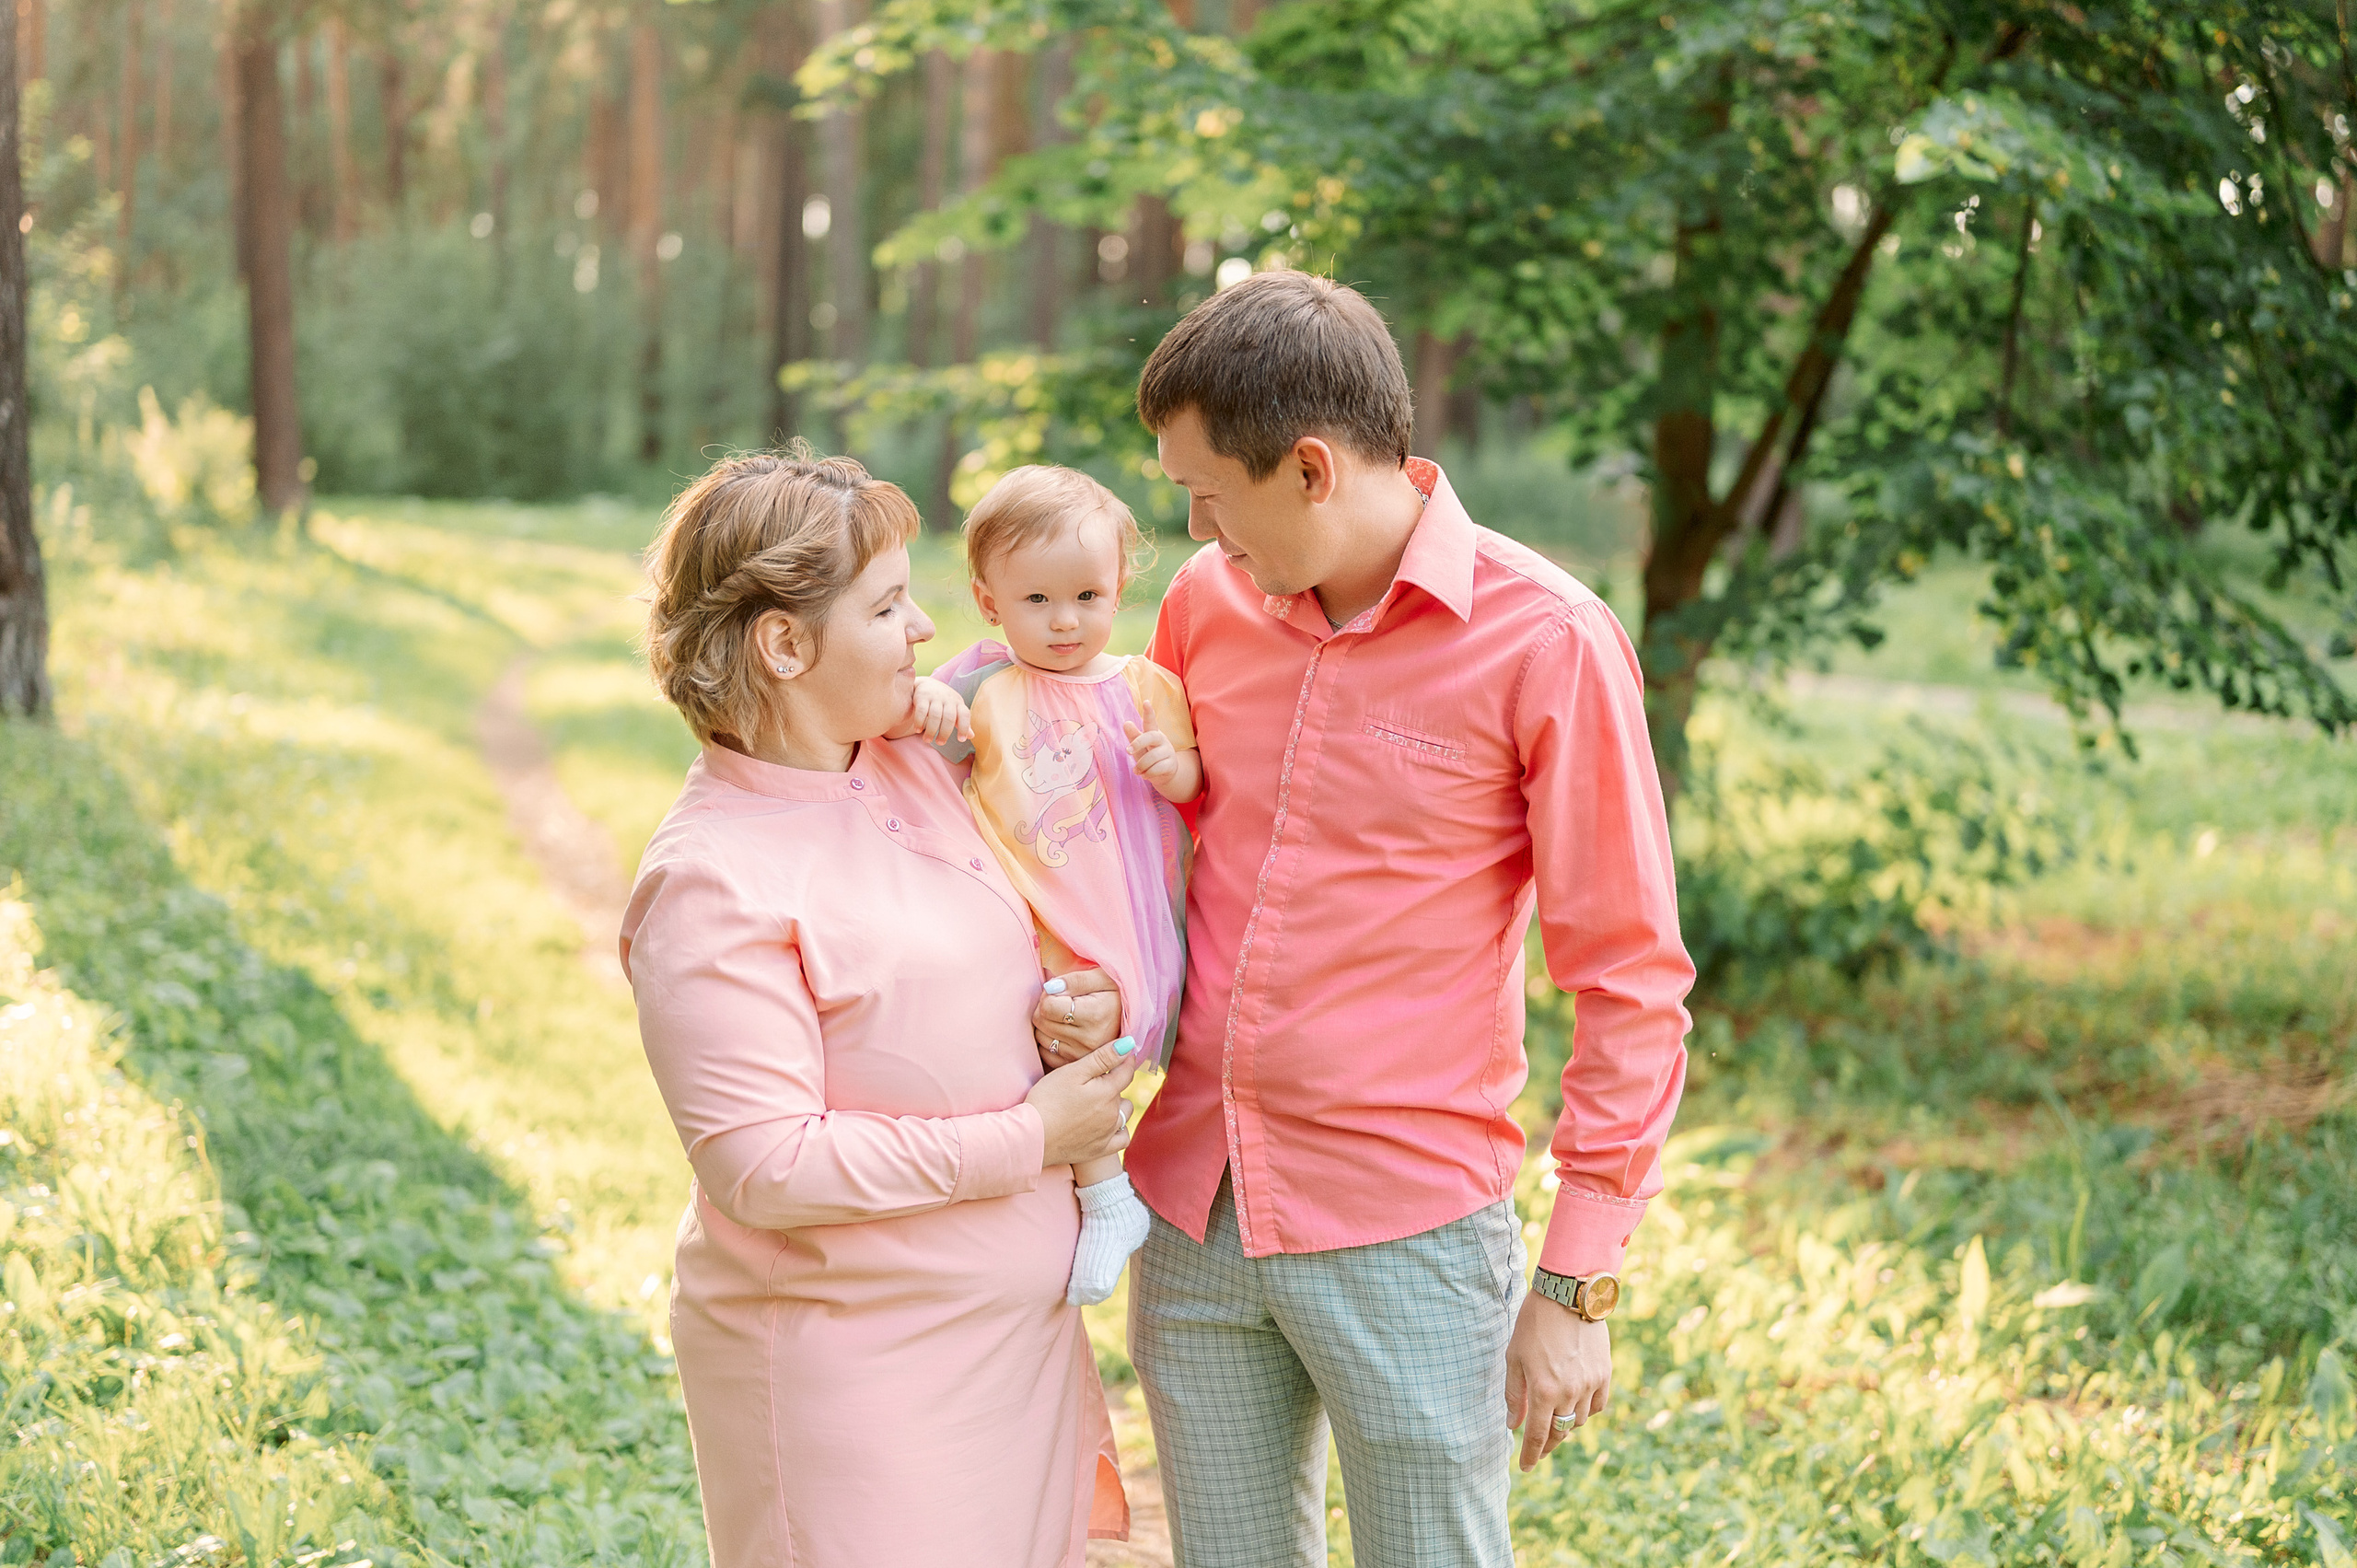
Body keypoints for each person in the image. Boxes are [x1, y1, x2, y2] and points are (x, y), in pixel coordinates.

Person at [1082, 271, 1697, 1565]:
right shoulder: (1204, 604)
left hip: (1405, 1232)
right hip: (1193, 1209)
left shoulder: (1549, 641)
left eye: (1210, 491)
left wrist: (1577, 1277)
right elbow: (1139, 856)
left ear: (1310, 468)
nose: (1193, 524)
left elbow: (1630, 977)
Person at [621, 448, 1138, 1566]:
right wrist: (1031, 1136)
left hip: (1014, 1349)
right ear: (784, 644)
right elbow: (766, 1165)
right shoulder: (711, 879)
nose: (923, 629)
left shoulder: (911, 765)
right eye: (888, 605)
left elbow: (988, 960)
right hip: (856, 1375)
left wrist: (1074, 1008)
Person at [911, 464, 1202, 1306]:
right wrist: (924, 703)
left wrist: (1171, 766)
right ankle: (1103, 1195)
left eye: (1086, 596)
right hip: (1031, 907)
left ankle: (1105, 1194)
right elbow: (916, 747)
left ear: (1118, 589)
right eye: (1036, 600)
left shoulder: (1145, 685)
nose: (1065, 619)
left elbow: (1192, 779)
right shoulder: (983, 686)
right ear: (990, 601)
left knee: (1094, 1038)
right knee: (1059, 1039)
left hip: (1124, 902)